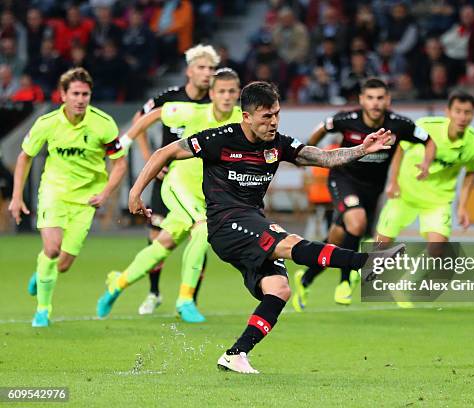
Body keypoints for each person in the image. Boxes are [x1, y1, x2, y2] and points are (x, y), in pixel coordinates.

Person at [102, 81, 403, 374]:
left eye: (277, 114)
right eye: (266, 116)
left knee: (279, 289)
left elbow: (323, 157)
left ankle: (236, 354)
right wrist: (135, 192)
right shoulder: (220, 139)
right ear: (247, 116)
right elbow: (163, 153)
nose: (273, 122)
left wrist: (360, 150)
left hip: (251, 221)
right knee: (289, 242)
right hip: (224, 223)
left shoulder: (278, 144)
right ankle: (367, 262)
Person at [101, 68, 242, 322]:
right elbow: (153, 115)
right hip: (177, 184)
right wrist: (124, 142)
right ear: (211, 93)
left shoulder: (242, 120)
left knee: (163, 244)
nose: (227, 96)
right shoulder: (193, 111)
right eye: (221, 91)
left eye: (232, 91)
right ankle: (185, 300)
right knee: (201, 230)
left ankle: (116, 284)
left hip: (204, 194)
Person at [293, 78, 435, 311]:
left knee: (338, 240)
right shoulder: (348, 120)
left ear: (387, 100)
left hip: (372, 190)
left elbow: (429, 141)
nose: (375, 103)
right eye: (370, 98)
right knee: (357, 224)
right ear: (361, 100)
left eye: (380, 98)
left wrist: (426, 163)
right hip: (344, 179)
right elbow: (323, 128)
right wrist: (309, 154)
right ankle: (345, 282)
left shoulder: (399, 124)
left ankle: (306, 279)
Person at [9, 67, 127, 327]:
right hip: (54, 191)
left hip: (86, 199)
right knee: (51, 249)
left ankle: (40, 274)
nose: (80, 99)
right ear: (63, 95)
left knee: (62, 265)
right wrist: (17, 197)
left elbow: (119, 164)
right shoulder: (47, 123)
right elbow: (24, 156)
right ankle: (43, 310)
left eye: (85, 94)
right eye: (75, 93)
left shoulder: (103, 124)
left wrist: (105, 193)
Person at [129, 44, 218, 315]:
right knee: (157, 237)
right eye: (201, 67)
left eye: (211, 68)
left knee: (200, 237)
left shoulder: (216, 102)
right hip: (169, 181)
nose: (207, 73)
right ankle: (154, 292)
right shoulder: (170, 97)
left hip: (202, 184)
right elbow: (138, 122)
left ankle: (189, 299)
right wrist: (151, 162)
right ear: (189, 71)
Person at [375, 91, 474, 260]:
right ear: (448, 112)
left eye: (467, 112)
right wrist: (393, 181)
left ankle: (407, 285)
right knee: (380, 245)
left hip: (437, 201)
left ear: (473, 114)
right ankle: (356, 274)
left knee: (437, 250)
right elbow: (400, 148)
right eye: (458, 111)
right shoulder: (425, 126)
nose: (462, 117)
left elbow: (470, 173)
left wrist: (462, 207)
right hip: (405, 193)